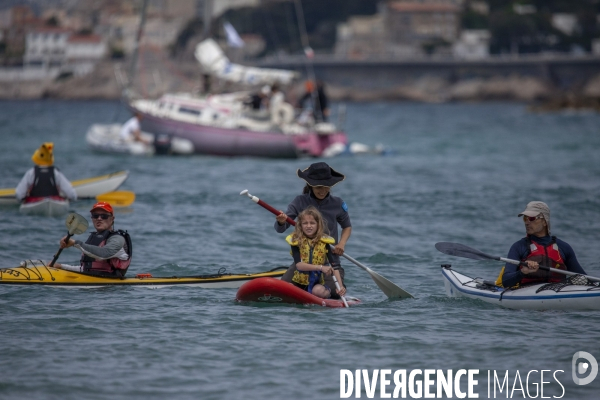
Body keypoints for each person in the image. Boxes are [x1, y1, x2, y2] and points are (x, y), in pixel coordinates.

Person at [275, 162, 352, 290]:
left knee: (334, 292)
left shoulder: (338, 203)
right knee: (281, 289)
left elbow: (347, 227)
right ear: (310, 186)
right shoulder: (299, 201)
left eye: (326, 187)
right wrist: (282, 221)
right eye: (318, 187)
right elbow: (280, 228)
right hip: (303, 262)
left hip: (328, 262)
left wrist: (341, 244)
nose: (322, 191)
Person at [498, 201, 586, 288]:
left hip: (559, 292)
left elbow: (584, 278)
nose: (527, 222)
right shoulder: (519, 247)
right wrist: (522, 272)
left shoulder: (564, 248)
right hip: (528, 294)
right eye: (525, 218)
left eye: (532, 218)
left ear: (544, 221)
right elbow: (506, 281)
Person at [54, 201, 132, 278]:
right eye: (95, 215)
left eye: (104, 216)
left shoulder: (118, 239)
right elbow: (85, 269)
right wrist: (61, 267)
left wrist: (75, 243)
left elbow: (103, 254)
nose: (99, 219)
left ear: (112, 219)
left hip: (111, 288)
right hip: (94, 286)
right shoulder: (94, 238)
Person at [286, 207, 346, 299]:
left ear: (318, 225)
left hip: (316, 283)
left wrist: (340, 286)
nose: (308, 226)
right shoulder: (296, 241)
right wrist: (321, 267)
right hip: (299, 282)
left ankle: (328, 293)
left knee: (317, 291)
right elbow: (299, 265)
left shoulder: (324, 242)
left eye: (312, 223)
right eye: (305, 223)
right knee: (288, 286)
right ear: (300, 225)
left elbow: (335, 267)